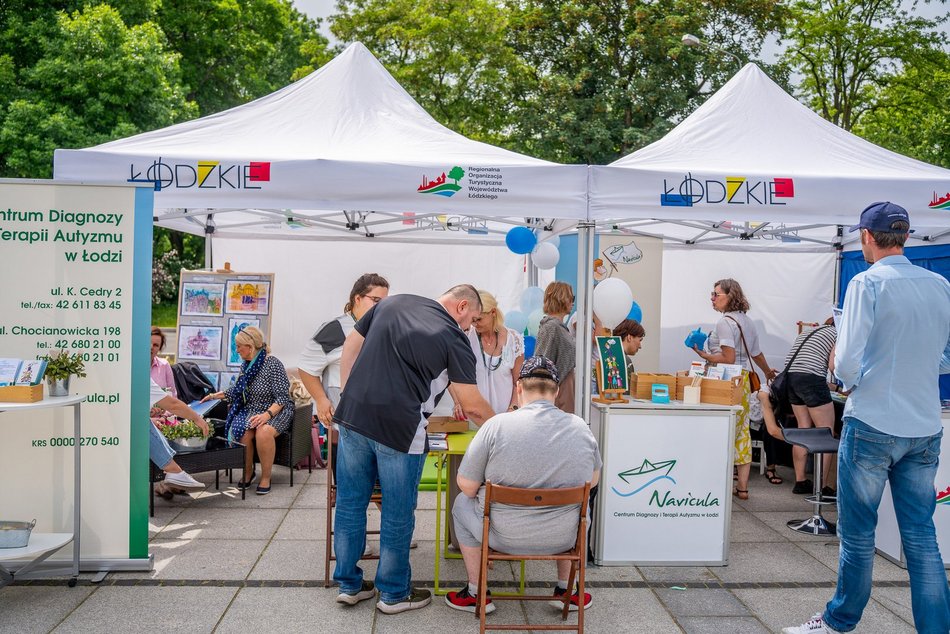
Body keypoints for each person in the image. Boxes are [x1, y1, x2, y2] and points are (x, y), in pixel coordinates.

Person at [785, 202, 950, 634]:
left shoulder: (866, 282)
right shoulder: (939, 284)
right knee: (921, 536)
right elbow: (946, 357)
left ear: (865, 237)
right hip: (924, 425)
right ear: (906, 236)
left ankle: (840, 620)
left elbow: (847, 363)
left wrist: (846, 377)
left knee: (859, 535)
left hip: (874, 420)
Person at [332, 285, 494, 614]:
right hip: (399, 428)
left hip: (352, 416)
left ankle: (349, 585)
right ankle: (393, 593)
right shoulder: (454, 338)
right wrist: (505, 428)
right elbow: (473, 406)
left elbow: (351, 343)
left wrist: (350, 394)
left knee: (350, 504)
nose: (470, 328)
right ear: (462, 306)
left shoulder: (393, 302)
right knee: (397, 511)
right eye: (472, 320)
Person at [445, 356, 602, 614]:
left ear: (519, 388)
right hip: (564, 536)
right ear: (557, 390)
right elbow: (592, 481)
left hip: (501, 535)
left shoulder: (495, 426)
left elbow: (467, 486)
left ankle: (477, 592)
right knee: (581, 509)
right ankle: (567, 590)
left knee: (462, 503)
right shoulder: (580, 428)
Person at [692, 279, 777, 500]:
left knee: (723, 430)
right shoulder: (747, 321)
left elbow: (728, 358)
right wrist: (767, 372)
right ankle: (743, 488)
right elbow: (756, 353)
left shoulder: (724, 323)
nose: (712, 298)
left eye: (716, 294)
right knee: (742, 433)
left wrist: (705, 356)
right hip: (744, 381)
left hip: (727, 381)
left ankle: (720, 484)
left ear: (730, 296)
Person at [298, 273, 390, 475]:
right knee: (349, 491)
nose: (381, 307)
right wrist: (321, 401)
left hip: (378, 425)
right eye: (375, 300)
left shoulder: (385, 328)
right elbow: (306, 368)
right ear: (357, 298)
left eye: (385, 302)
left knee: (381, 490)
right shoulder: (335, 329)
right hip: (346, 426)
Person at [202, 326, 293, 495]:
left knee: (263, 432)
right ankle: (248, 472)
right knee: (243, 433)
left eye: (238, 346)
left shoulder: (273, 364)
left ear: (250, 346)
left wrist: (266, 416)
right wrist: (214, 396)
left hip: (276, 410)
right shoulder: (246, 365)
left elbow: (282, 398)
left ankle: (266, 477)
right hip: (253, 409)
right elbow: (236, 390)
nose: (237, 351)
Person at [782, 320, 838, 495]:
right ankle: (821, 488)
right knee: (826, 433)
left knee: (803, 429)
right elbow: (833, 366)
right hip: (811, 379)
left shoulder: (809, 332)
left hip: (790, 377)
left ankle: (800, 481)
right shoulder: (839, 334)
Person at [457, 290, 525, 415]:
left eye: (479, 319)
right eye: (473, 320)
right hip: (474, 417)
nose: (475, 324)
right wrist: (458, 402)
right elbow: (454, 376)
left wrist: (513, 408)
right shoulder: (466, 338)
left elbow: (518, 382)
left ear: (493, 312)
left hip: (505, 418)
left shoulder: (514, 340)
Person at [149, 378, 210, 496]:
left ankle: (173, 472)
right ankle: (173, 471)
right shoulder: (139, 373)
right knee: (141, 423)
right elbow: (173, 405)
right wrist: (197, 418)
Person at [535, 281, 576, 414]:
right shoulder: (551, 327)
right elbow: (542, 362)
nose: (573, 302)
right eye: (571, 298)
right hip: (558, 390)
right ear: (562, 298)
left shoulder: (558, 327)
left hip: (563, 387)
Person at [150, 327, 176, 398]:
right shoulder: (131, 366)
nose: (151, 347)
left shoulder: (164, 365)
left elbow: (172, 395)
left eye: (156, 345)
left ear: (159, 349)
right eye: (148, 342)